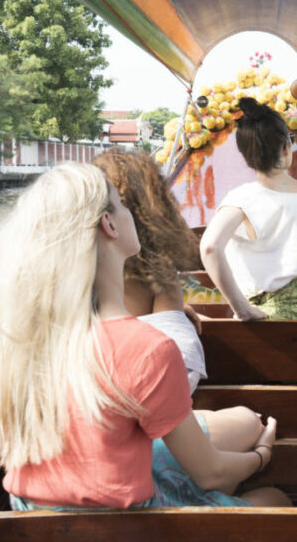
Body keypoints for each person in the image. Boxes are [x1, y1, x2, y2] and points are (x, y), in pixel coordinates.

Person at [0, 163, 288, 510]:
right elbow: (213, 475)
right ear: (109, 224)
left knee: (234, 430)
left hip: (40, 526)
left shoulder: (20, 337)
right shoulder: (148, 349)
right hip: (124, 538)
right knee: (275, 498)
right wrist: (263, 456)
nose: (130, 212)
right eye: (122, 203)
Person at [93, 148, 268, 459]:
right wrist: (261, 457)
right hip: (136, 438)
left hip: (100, 436)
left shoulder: (69, 286)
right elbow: (178, 370)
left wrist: (172, 313)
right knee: (249, 424)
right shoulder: (159, 279)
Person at [200, 96, 297, 321]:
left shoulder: (243, 198)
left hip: (280, 324)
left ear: (246, 156)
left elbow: (210, 247)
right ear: (286, 147)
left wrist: (242, 309)